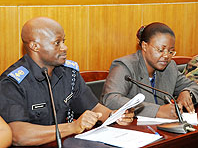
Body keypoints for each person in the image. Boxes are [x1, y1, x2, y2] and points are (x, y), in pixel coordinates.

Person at [0, 17, 134, 146]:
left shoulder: (69, 73)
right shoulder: (12, 82)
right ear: (35, 46)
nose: (65, 48)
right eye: (57, 43)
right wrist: (72, 127)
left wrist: (113, 116)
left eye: (64, 41)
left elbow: (94, 108)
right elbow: (18, 135)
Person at [101, 22, 198, 119]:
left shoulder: (169, 67)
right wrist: (158, 111)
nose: (166, 56)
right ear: (144, 46)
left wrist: (187, 93)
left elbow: (195, 87)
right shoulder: (124, 67)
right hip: (130, 129)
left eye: (171, 51)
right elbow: (111, 99)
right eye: (160, 50)